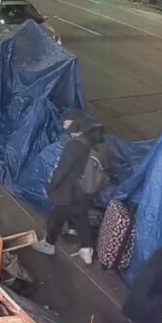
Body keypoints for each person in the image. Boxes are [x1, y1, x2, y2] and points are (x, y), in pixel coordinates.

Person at [32, 110, 104, 264]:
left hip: (68, 193)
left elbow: (62, 170)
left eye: (66, 122)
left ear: (74, 123)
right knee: (81, 218)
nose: (64, 125)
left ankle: (49, 244)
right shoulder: (90, 140)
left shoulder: (74, 146)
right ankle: (87, 250)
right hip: (84, 191)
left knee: (55, 218)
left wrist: (51, 187)